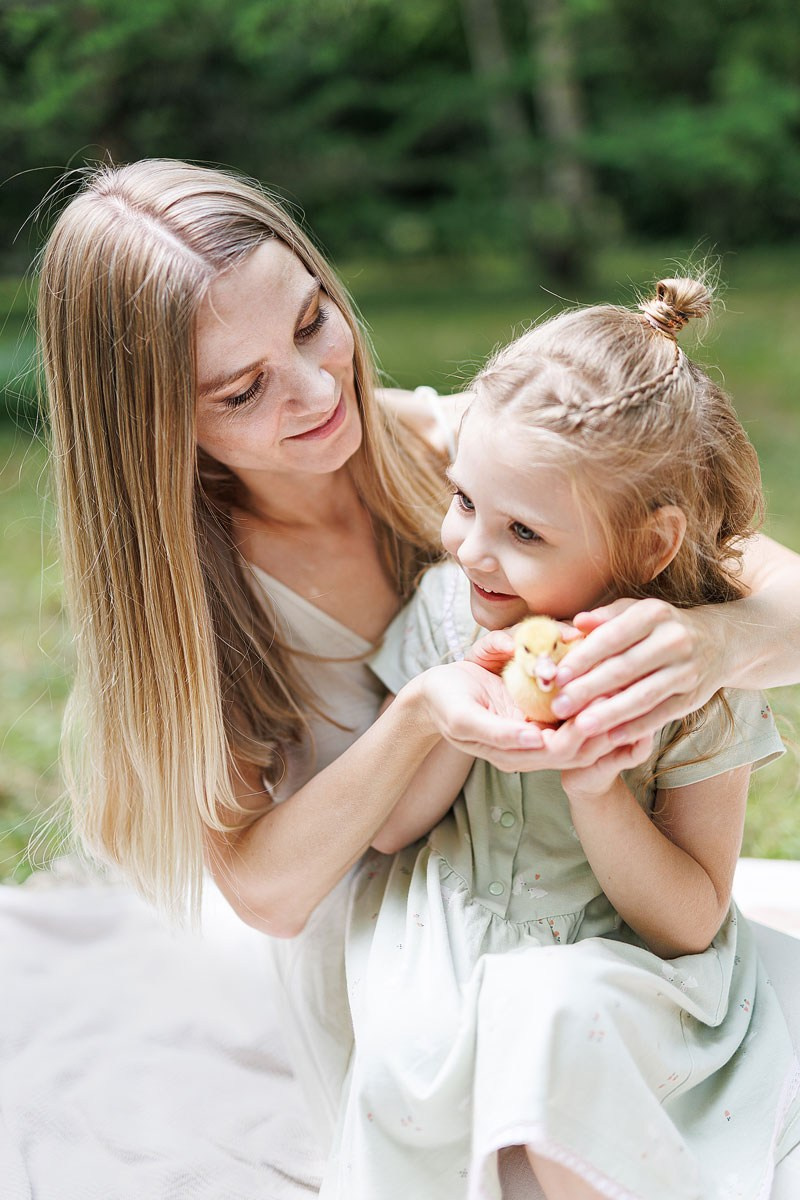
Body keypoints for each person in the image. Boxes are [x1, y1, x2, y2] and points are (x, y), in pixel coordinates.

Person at [38, 161, 800, 1188]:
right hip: (403, 946)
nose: (315, 392)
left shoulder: (464, 457)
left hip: (583, 908)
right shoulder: (186, 595)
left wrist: (705, 643)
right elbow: (264, 890)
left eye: (311, 322)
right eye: (243, 387)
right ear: (154, 424)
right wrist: (421, 718)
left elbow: (749, 587)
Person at [317, 278, 800, 1199]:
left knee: (551, 1017)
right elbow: (391, 831)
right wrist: (452, 709)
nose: (470, 549)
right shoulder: (450, 612)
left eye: (523, 531)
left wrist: (596, 788)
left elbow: (689, 920)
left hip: (623, 975)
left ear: (650, 545)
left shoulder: (684, 682)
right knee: (409, 1051)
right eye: (466, 503)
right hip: (452, 946)